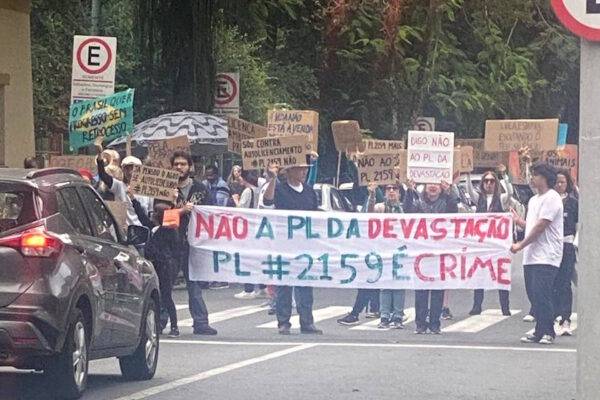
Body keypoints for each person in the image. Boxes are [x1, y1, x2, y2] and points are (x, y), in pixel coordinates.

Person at [263, 158, 323, 335]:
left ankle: (307, 322)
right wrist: (272, 179)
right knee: (284, 285)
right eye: (299, 169)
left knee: (305, 285)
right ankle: (283, 322)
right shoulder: (280, 189)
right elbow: (267, 201)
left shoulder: (309, 191)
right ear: (289, 171)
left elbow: (315, 216)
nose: (304, 172)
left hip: (305, 245)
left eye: (305, 169)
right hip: (285, 245)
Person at [511, 162, 563, 345]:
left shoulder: (552, 197)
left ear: (545, 177)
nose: (532, 178)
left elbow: (541, 226)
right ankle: (539, 330)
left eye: (535, 175)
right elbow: (532, 226)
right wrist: (519, 222)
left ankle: (548, 331)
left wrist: (520, 245)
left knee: (542, 294)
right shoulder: (533, 200)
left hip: (547, 255)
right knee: (533, 295)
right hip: (531, 256)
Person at [171, 150, 218, 335]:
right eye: (176, 164)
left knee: (194, 283)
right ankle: (160, 321)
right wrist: (177, 207)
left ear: (189, 167)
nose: (179, 167)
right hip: (170, 242)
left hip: (193, 243)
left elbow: (212, 213)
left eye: (183, 164)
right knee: (166, 285)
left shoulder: (200, 188)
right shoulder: (165, 188)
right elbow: (159, 215)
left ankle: (200, 322)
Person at [404, 180, 459, 334]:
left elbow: (454, 213)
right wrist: (409, 191)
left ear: (440, 188)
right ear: (425, 187)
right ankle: (420, 324)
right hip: (421, 254)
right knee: (421, 291)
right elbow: (407, 212)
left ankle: (435, 324)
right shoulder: (417, 203)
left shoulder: (446, 202)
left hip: (440, 253)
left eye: (436, 184)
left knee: (437, 291)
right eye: (430, 184)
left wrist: (450, 193)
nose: (433, 186)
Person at [130, 194, 180, 337]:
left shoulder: (169, 231)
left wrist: (174, 203)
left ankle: (174, 326)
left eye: (155, 212)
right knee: (155, 295)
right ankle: (158, 325)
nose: (151, 215)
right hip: (153, 265)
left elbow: (176, 249)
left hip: (164, 266)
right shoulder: (152, 228)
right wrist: (133, 200)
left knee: (166, 296)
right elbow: (141, 216)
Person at [466, 171, 512, 316]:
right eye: (486, 181)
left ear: (496, 184)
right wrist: (467, 174)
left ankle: (505, 307)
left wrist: (504, 175)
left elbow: (510, 193)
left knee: (501, 274)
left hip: (498, 245)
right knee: (479, 275)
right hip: (482, 244)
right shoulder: (478, 198)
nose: (489, 184)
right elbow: (469, 190)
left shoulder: (501, 199)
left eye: (492, 181)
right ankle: (477, 306)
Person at [95, 142, 152, 226]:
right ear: (123, 170)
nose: (130, 172)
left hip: (143, 231)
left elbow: (150, 214)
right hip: (126, 231)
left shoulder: (147, 190)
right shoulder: (119, 186)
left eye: (133, 168)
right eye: (127, 169)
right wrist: (100, 155)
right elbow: (103, 175)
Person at [234, 169, 268, 299]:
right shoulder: (259, 190)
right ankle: (263, 287)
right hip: (258, 227)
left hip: (247, 228)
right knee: (258, 259)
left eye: (240, 177)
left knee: (247, 259)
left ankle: (248, 289)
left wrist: (236, 200)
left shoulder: (248, 191)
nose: (238, 180)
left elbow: (240, 210)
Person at [552, 169, 578, 336]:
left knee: (565, 282)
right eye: (557, 182)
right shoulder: (549, 200)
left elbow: (577, 225)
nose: (559, 185)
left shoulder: (573, 202)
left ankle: (566, 317)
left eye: (562, 182)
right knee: (552, 282)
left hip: (567, 244)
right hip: (551, 246)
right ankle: (554, 314)